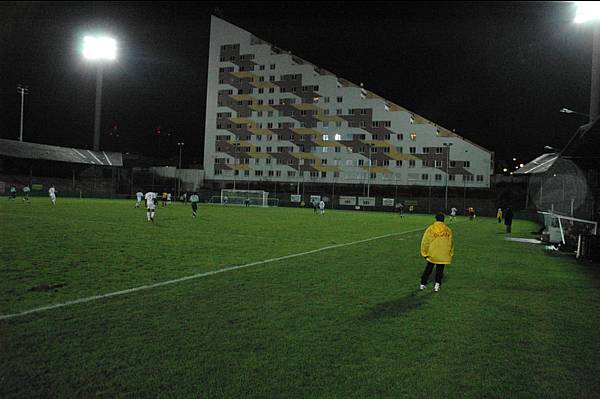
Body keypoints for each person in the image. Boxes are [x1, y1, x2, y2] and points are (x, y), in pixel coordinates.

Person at [419, 213, 454, 292]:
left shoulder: (431, 228)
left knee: (429, 268)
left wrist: (424, 252)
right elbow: (451, 242)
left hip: (433, 252)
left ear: (436, 219)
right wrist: (450, 253)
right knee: (440, 269)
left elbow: (425, 241)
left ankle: (422, 284)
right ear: (443, 219)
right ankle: (437, 285)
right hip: (443, 253)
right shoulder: (448, 229)